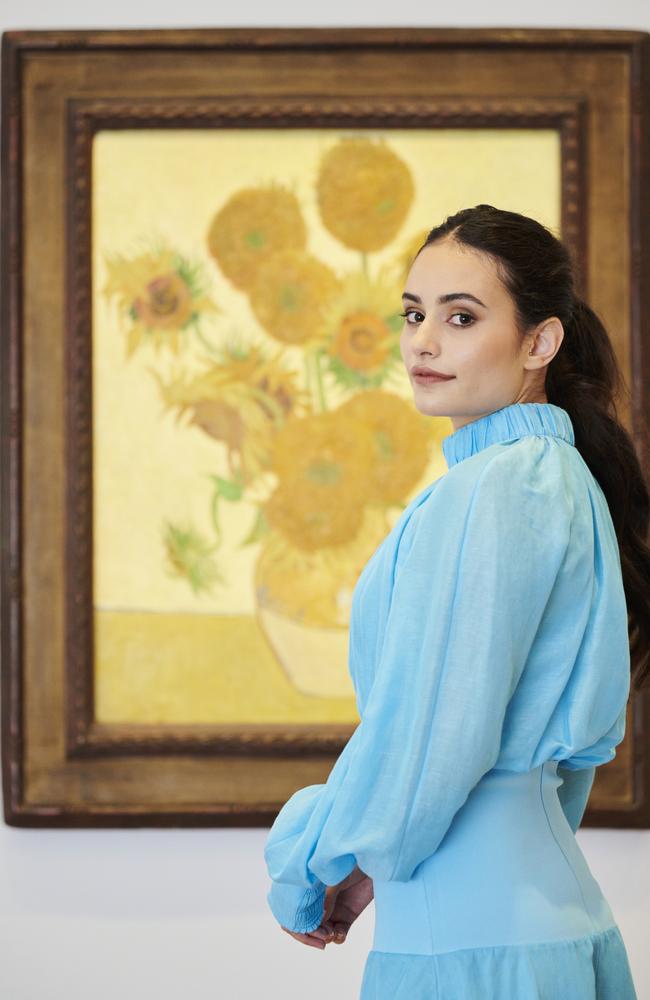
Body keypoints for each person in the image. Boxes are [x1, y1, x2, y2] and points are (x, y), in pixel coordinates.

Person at [263, 204, 650, 997]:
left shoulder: (503, 484)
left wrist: (321, 858)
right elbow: (552, 762)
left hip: (471, 947)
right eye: (413, 315)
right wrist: (391, 854)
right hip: (531, 920)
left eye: (461, 317)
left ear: (540, 342)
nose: (422, 342)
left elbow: (431, 725)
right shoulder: (549, 476)